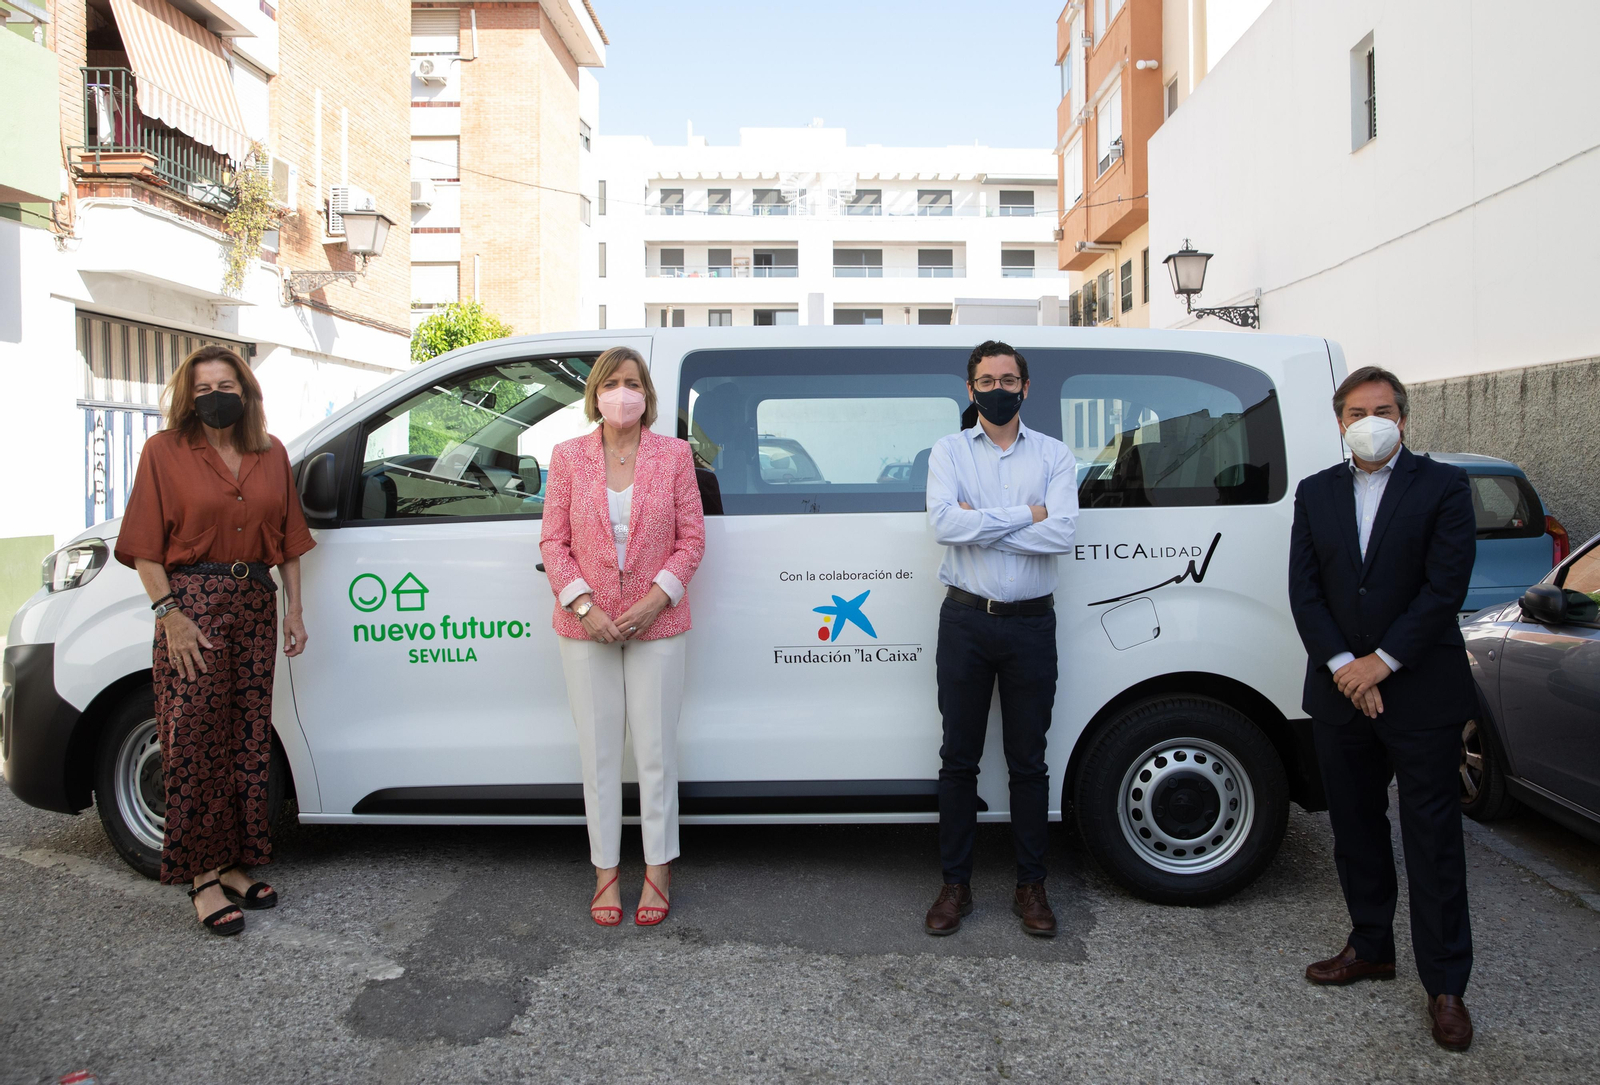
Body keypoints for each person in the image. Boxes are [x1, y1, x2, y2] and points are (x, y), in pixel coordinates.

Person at [1288, 365, 1478, 1051]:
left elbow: (1443, 585)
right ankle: (1370, 945)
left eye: (1385, 408)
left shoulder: (1445, 486)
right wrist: (1347, 667)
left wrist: (1382, 662)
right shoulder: (1315, 493)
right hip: (1341, 698)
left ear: (1404, 417)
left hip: (1420, 692)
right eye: (1358, 410)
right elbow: (1305, 592)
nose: (1373, 419)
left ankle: (1446, 984)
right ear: (1339, 422)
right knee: (1356, 831)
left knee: (1433, 840)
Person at [114, 344, 314, 936]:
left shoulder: (270, 453)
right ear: (188, 397)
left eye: (224, 385)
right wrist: (169, 614)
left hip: (255, 600)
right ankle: (201, 875)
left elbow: (288, 543)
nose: (213, 397)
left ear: (246, 391)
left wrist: (294, 611)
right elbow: (145, 548)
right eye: (201, 390)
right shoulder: (164, 453)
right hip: (192, 609)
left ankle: (234, 862)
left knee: (248, 737)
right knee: (195, 738)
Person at [539, 346, 706, 927]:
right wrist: (584, 605)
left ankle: (658, 869)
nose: (622, 392)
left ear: (647, 393)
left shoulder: (675, 455)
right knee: (600, 755)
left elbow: (692, 541)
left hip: (657, 622)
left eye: (632, 382)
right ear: (595, 394)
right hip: (585, 628)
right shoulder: (566, 457)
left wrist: (655, 598)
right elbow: (552, 543)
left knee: (656, 754)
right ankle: (606, 870)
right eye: (611, 382)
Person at [922, 340, 1079, 937]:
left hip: (1031, 624)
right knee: (957, 759)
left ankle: (1030, 886)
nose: (998, 388)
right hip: (965, 622)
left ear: (1025, 387)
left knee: (1028, 761)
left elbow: (1062, 532)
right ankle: (954, 885)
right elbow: (942, 524)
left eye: (1008, 379)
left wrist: (981, 524)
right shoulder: (949, 450)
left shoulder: (1055, 455)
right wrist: (1026, 515)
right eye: (986, 380)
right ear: (971, 389)